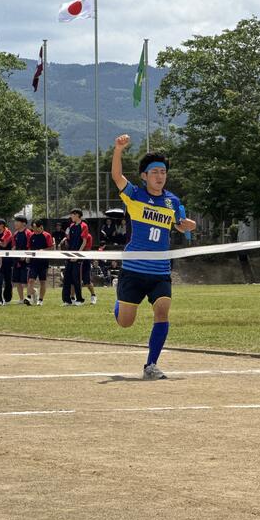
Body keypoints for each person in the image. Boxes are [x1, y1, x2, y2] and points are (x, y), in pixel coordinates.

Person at [111, 134, 196, 380]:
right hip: (134, 269)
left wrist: (187, 225)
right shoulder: (134, 195)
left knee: (162, 310)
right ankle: (119, 302)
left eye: (163, 172)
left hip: (160, 270)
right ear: (144, 176)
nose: (160, 176)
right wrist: (118, 150)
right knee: (125, 322)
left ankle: (151, 365)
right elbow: (117, 176)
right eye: (155, 172)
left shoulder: (172, 201)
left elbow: (178, 223)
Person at [61, 209, 90, 306]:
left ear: (77, 215)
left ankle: (79, 299)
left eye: (72, 215)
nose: (71, 217)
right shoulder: (71, 226)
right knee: (67, 277)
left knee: (76, 278)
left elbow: (84, 242)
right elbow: (68, 238)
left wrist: (78, 255)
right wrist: (65, 240)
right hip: (70, 255)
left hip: (78, 256)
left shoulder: (84, 226)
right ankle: (67, 300)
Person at [27, 219, 54, 305]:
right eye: (32, 227)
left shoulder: (47, 235)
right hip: (33, 262)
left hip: (43, 262)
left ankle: (40, 300)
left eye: (35, 227)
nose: (34, 229)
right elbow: (29, 248)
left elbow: (51, 248)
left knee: (42, 281)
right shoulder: (31, 236)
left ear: (41, 227)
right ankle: (29, 298)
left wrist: (43, 250)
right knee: (31, 280)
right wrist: (27, 256)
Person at [0, 218, 14, 305]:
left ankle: (7, 299)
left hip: (7, 260)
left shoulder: (7, 232)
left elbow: (4, 244)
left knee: (8, 280)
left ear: (2, 225)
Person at [12, 216, 33, 304]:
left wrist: (26, 256)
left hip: (26, 261)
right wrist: (12, 253)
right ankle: (21, 299)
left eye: (17, 221)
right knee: (17, 281)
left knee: (25, 282)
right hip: (17, 260)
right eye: (15, 221)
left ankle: (32, 293)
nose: (15, 223)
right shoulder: (15, 234)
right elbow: (14, 246)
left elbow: (30, 246)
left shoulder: (28, 233)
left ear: (24, 223)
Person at [80, 228, 97, 305]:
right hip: (76, 259)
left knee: (87, 281)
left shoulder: (89, 236)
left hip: (85, 260)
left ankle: (93, 295)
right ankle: (76, 298)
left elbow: (87, 248)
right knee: (76, 280)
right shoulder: (76, 236)